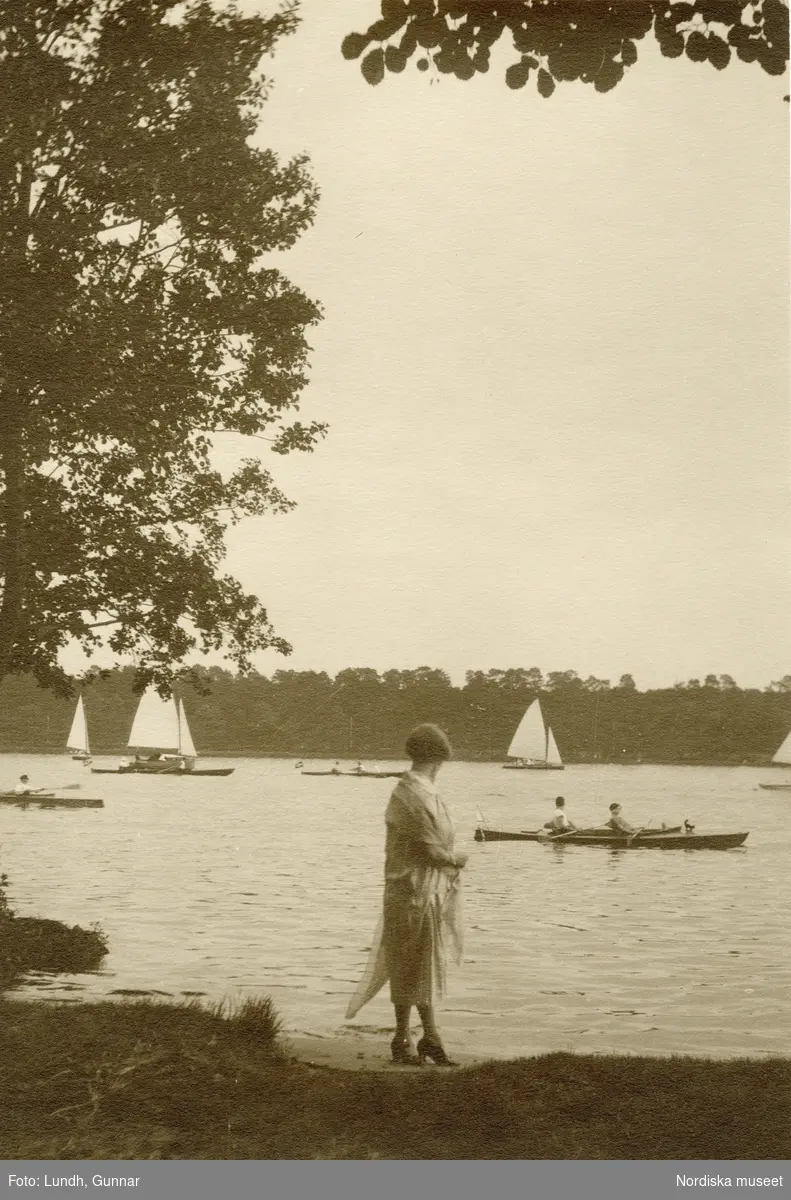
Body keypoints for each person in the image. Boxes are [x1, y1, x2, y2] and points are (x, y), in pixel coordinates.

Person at [346, 723, 467, 1066]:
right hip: (409, 890)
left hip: (423, 890)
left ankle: (422, 1037)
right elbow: (430, 846)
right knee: (409, 964)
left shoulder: (420, 791)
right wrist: (456, 859)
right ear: (437, 758)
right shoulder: (411, 794)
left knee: (417, 964)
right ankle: (412, 1038)